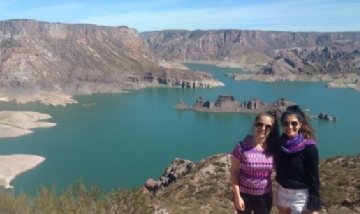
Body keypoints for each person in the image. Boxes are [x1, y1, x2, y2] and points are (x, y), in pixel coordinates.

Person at [230, 110, 280, 214]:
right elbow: (234, 172)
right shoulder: (241, 146)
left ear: (271, 129)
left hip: (264, 196)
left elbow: (280, 171)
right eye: (260, 124)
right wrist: (237, 196)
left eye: (268, 126)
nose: (263, 129)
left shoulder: (273, 148)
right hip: (243, 195)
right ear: (254, 124)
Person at [275, 105, 323, 214]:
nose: (290, 127)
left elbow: (314, 177)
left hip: (301, 197)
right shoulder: (279, 145)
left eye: (294, 123)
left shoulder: (309, 148)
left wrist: (314, 204)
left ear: (300, 124)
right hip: (282, 193)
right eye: (286, 123)